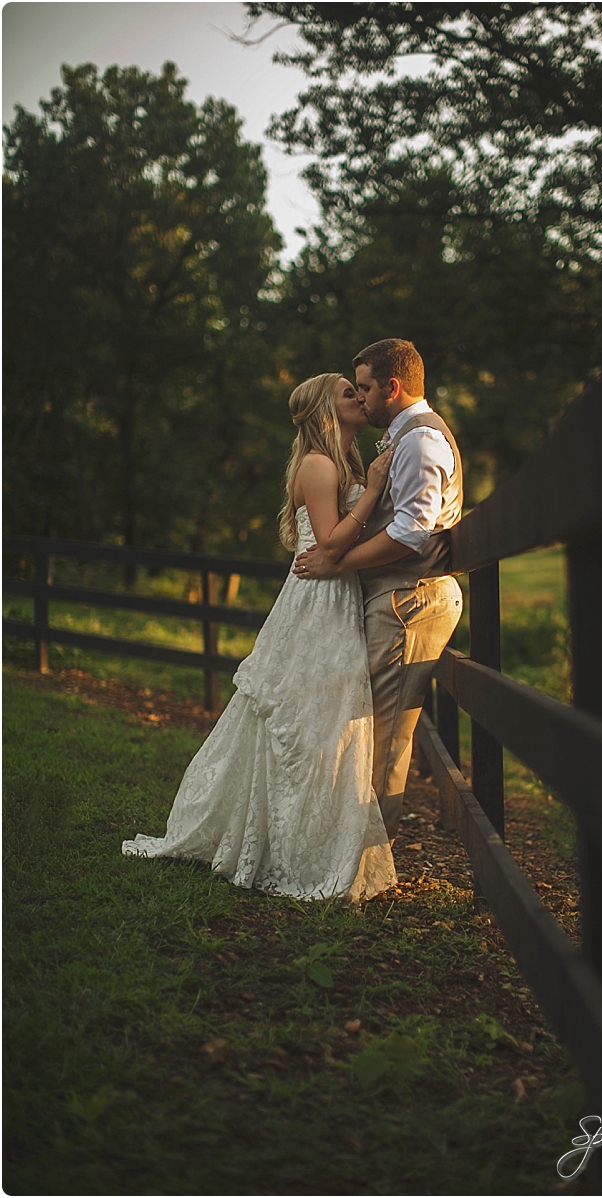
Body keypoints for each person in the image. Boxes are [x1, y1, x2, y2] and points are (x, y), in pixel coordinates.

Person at [122, 373, 397, 902]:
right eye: (348, 392)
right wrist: (377, 490)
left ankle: (313, 842)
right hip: (316, 602)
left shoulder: (344, 464)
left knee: (329, 719)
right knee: (307, 718)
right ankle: (288, 847)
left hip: (335, 598)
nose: (359, 398)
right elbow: (334, 544)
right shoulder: (318, 465)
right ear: (326, 409)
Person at [294, 339, 463, 841]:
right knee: (368, 726)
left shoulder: (419, 441)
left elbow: (412, 531)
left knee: (383, 733)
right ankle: (350, 846)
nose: (361, 397)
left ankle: (366, 855)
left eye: (365, 388)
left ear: (391, 387)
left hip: (410, 600)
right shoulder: (400, 439)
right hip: (396, 599)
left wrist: (336, 562)